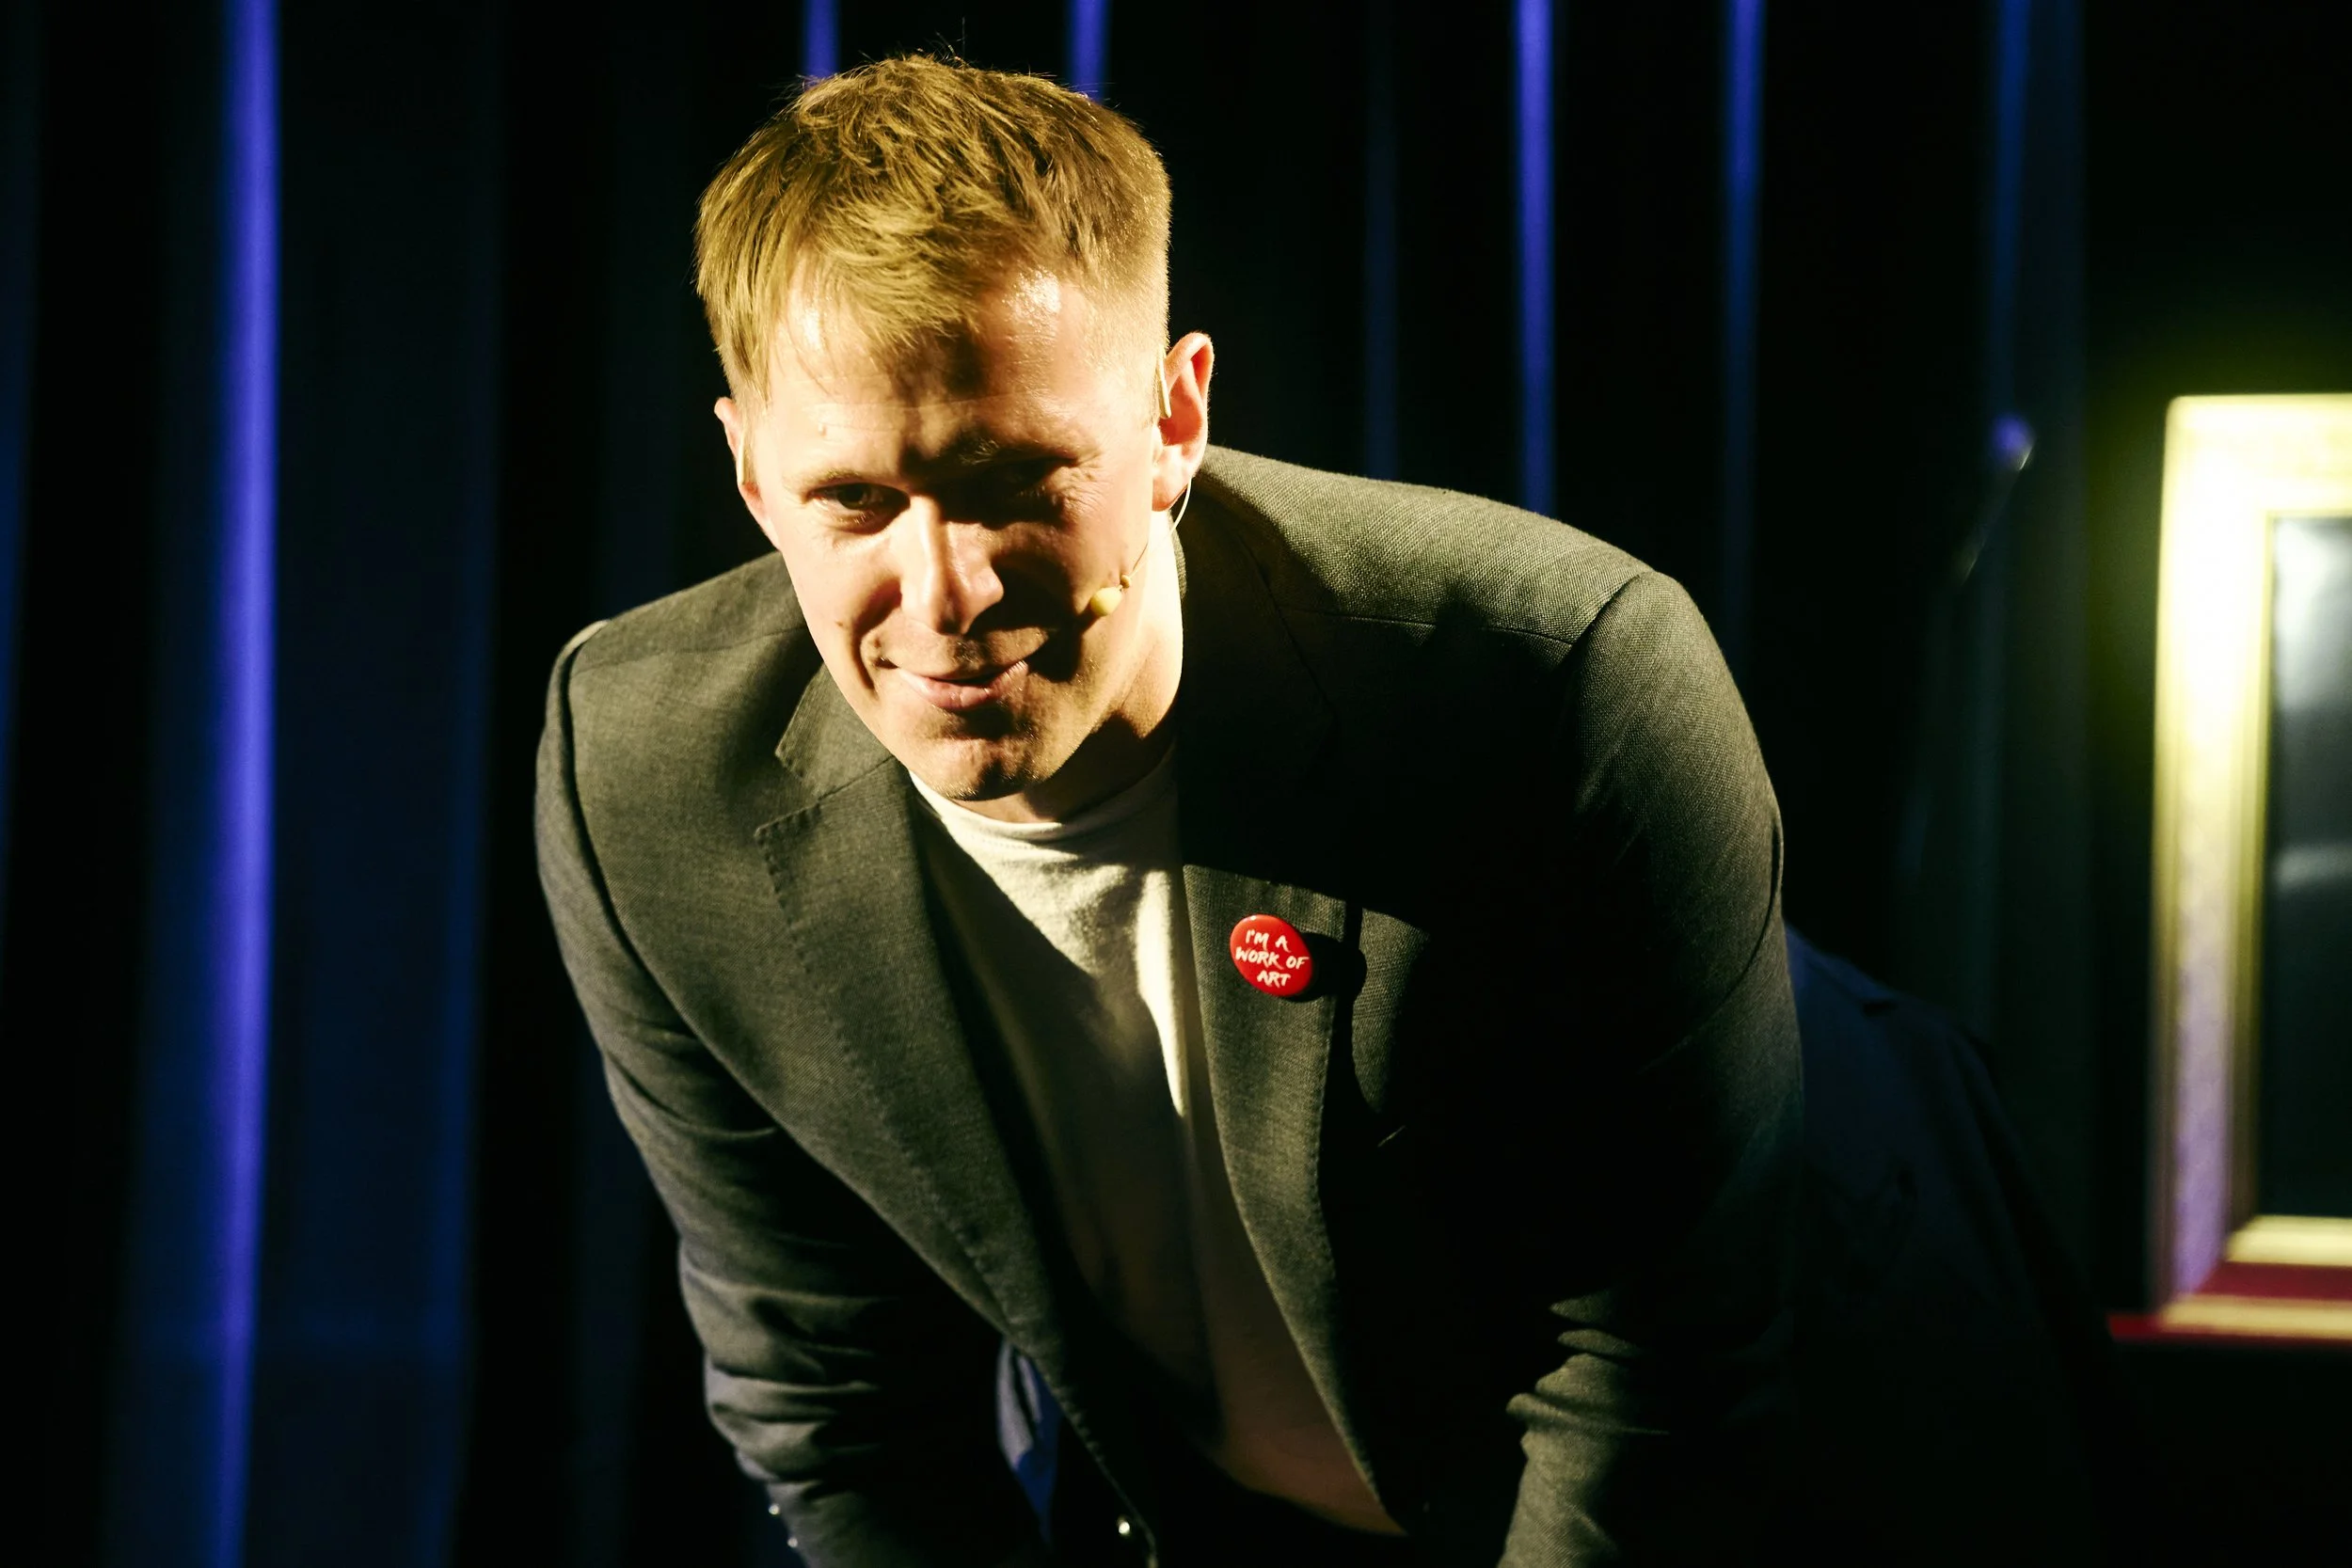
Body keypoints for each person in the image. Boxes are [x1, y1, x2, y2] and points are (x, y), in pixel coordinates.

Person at [536, 55, 1806, 1566]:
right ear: (751, 472)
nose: (945, 593)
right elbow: (840, 1407)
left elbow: (1658, 1390)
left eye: (1017, 479)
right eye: (856, 501)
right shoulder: (645, 769)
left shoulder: (1554, 686)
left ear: (1175, 417)